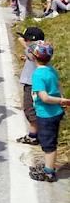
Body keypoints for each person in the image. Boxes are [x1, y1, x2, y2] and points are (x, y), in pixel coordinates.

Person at [27, 41, 70, 182]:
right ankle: (48, 165)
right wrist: (61, 99)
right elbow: (58, 86)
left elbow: (44, 97)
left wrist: (60, 101)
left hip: (47, 115)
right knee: (49, 140)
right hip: (55, 113)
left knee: (48, 144)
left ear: (34, 57)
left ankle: (49, 172)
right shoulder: (51, 70)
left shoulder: (37, 74)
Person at [15, 27, 45, 146]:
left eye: (25, 38)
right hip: (33, 83)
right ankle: (36, 133)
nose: (23, 40)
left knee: (29, 109)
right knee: (32, 109)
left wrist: (24, 44)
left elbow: (32, 54)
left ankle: (33, 136)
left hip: (31, 85)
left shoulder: (36, 50)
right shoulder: (40, 50)